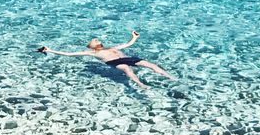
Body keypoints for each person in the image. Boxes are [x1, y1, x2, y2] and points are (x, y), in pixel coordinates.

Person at [39, 30, 174, 90]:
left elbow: (128, 44)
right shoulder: (91, 52)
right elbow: (69, 54)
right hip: (114, 62)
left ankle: (169, 76)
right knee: (127, 69)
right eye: (95, 40)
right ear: (92, 46)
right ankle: (141, 85)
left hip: (127, 58)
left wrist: (134, 37)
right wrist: (50, 50)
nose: (98, 40)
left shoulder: (112, 47)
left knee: (149, 64)